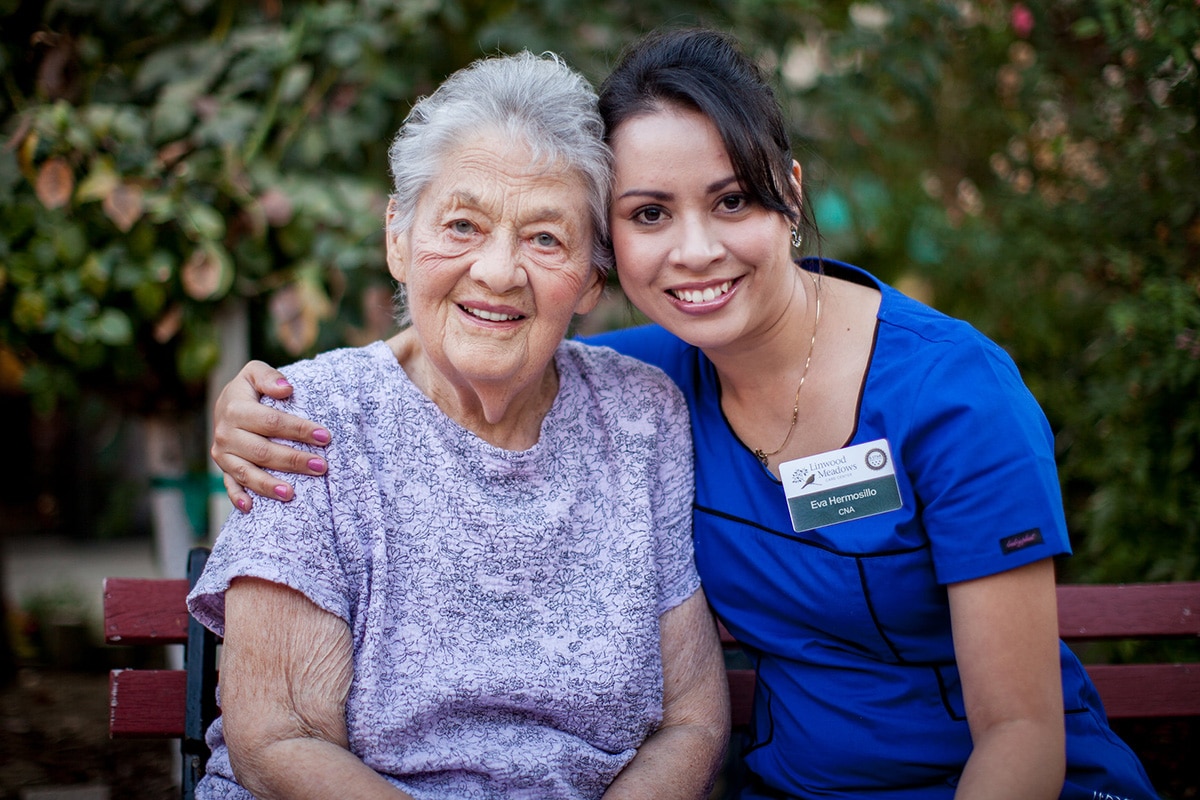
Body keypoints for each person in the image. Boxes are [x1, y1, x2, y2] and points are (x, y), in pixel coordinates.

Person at [209, 27, 1159, 800]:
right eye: (651, 213)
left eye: (732, 199)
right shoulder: (627, 385)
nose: (695, 250)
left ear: (788, 193)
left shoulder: (945, 397)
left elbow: (1023, 732)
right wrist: (271, 396)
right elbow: (477, 349)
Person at [186, 49, 730, 800]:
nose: (499, 271)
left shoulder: (641, 415)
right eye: (463, 224)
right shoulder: (309, 421)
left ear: (593, 282)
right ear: (398, 239)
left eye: (546, 239)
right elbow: (279, 740)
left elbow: (691, 721)